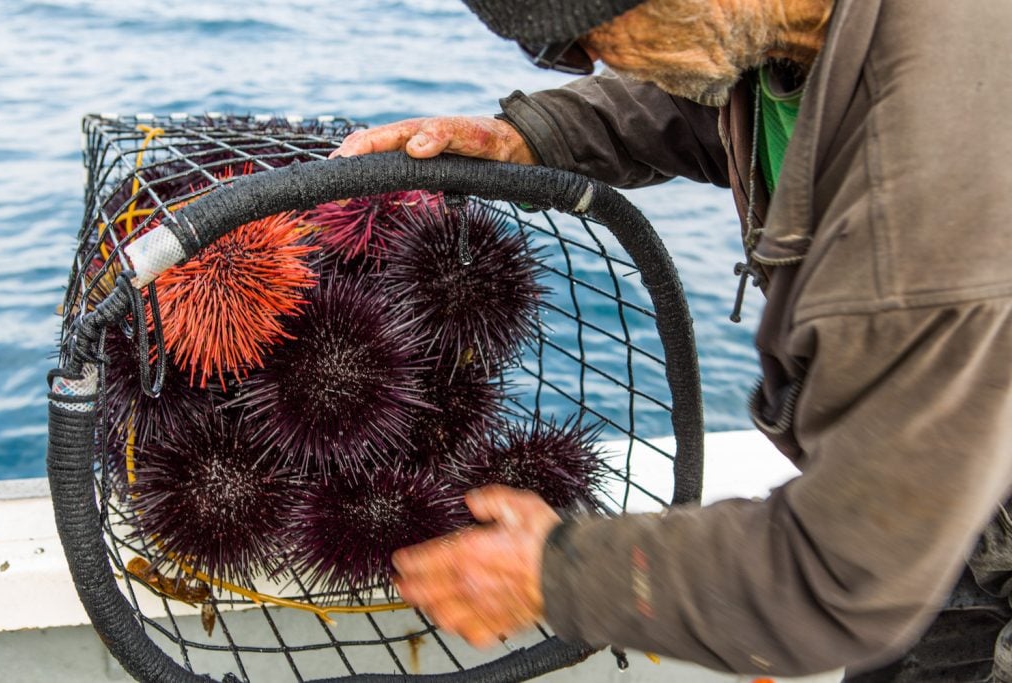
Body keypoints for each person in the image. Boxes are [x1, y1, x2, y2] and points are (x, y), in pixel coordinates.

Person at [331, 0, 1012, 679]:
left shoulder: (934, 171)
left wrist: (561, 573)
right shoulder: (802, 37)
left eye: (587, 34)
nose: (590, 58)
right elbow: (712, 107)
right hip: (942, 461)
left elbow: (841, 576)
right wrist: (531, 135)